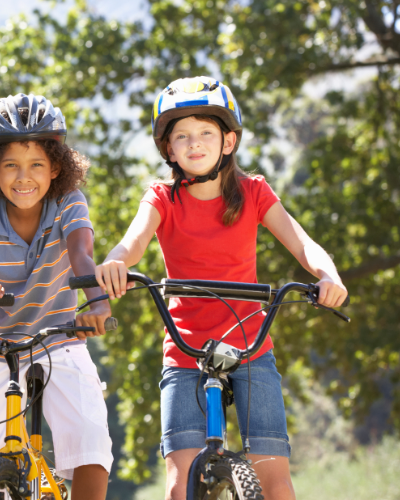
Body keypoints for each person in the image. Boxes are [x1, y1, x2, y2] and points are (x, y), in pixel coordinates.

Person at [93, 76, 348, 500]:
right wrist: (117, 262)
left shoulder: (254, 192)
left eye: (206, 133)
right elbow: (133, 242)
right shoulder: (161, 197)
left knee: (276, 484)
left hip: (250, 345)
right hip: (185, 348)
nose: (195, 143)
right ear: (168, 149)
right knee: (179, 486)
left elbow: (302, 243)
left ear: (228, 141)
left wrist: (328, 276)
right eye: (182, 136)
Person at [0, 94, 114, 500]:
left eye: (36, 164)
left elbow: (81, 256)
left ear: (56, 167)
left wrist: (97, 303)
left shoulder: (68, 203)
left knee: (90, 444)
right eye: (11, 166)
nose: (24, 177)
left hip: (59, 339)